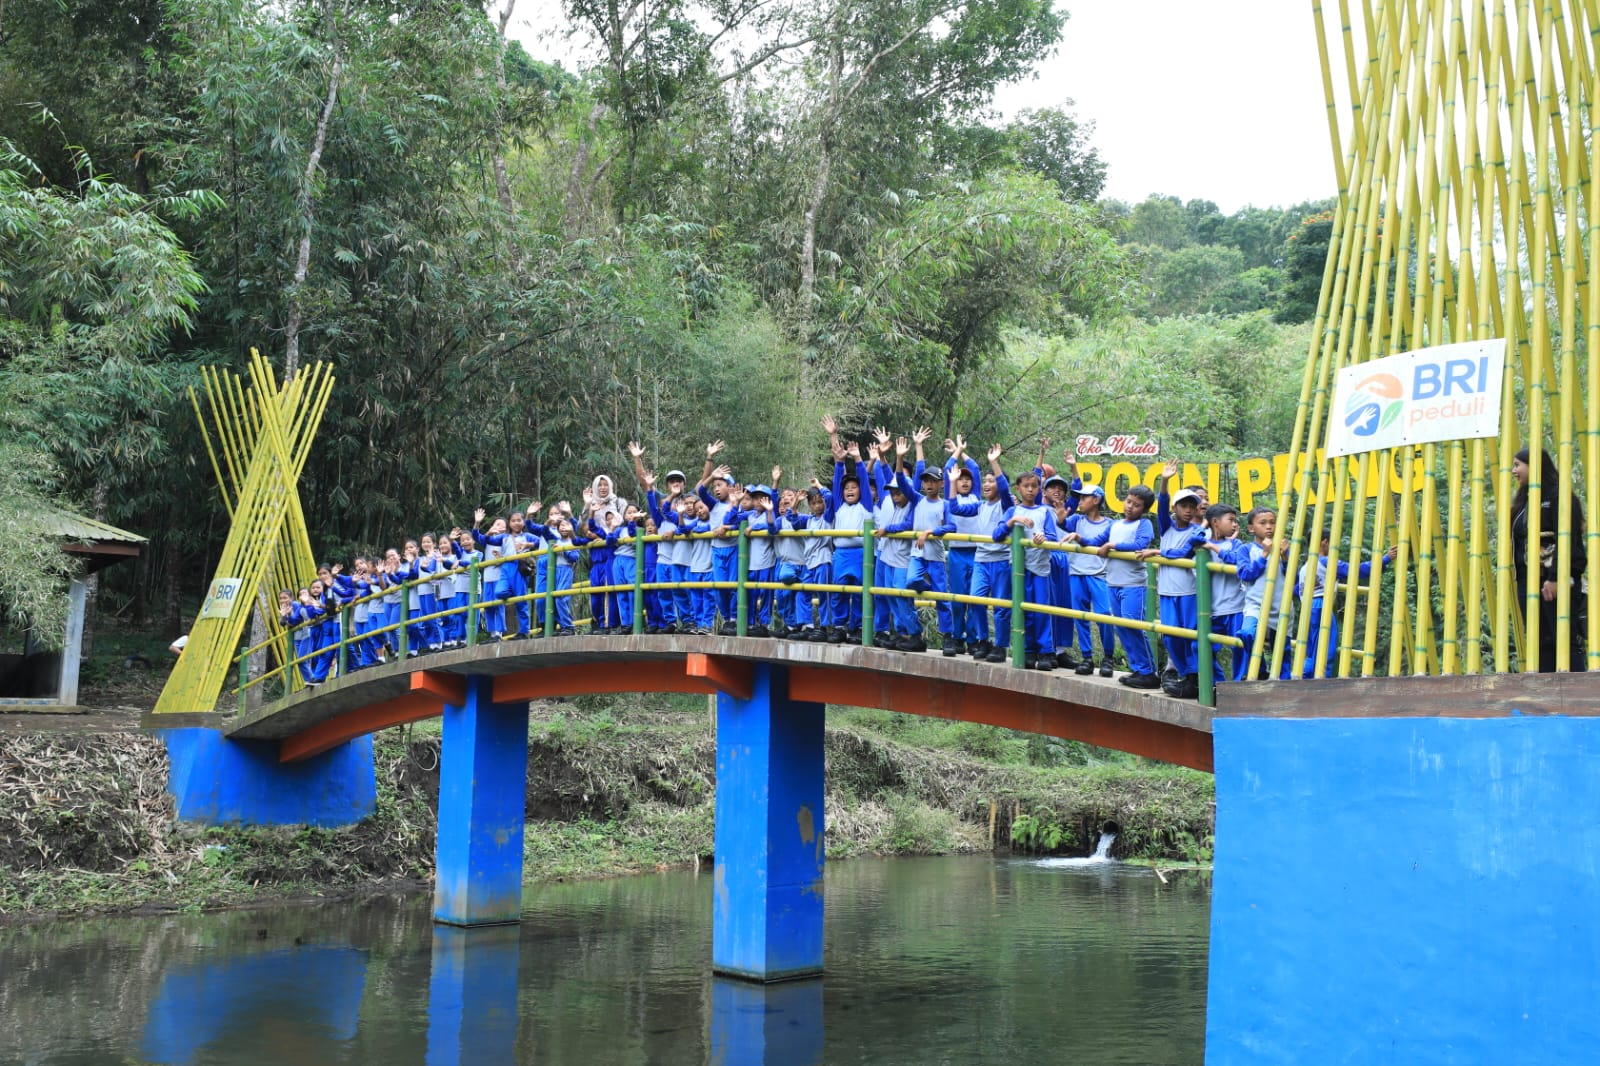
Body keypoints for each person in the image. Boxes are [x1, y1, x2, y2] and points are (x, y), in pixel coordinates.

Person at [1509, 445, 1587, 672]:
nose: (1514, 471)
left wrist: (1555, 578)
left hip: (1555, 579)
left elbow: (1568, 540)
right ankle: (1546, 701)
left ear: (1535, 466)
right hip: (1528, 581)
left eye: (1517, 465)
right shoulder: (1524, 500)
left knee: (1563, 639)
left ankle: (1578, 697)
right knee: (1539, 642)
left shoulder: (1559, 496)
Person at [1137, 487, 1206, 699]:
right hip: (1167, 591)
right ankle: (1185, 673)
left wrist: (1157, 551)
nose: (1187, 510)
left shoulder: (1197, 532)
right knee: (1171, 636)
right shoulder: (1166, 528)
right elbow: (1161, 508)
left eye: (1191, 506)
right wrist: (1165, 481)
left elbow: (1182, 553)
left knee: (1190, 636)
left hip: (1188, 591)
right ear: (1174, 508)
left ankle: (1195, 676)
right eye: (1183, 506)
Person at [993, 469, 1059, 670]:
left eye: (1034, 486)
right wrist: (1013, 522)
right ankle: (1028, 650)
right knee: (1023, 610)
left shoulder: (1045, 511)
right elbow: (997, 534)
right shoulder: (1013, 511)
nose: (1030, 490)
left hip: (1040, 567)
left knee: (1041, 609)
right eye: (1026, 486)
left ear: (1039, 488)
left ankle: (1046, 651)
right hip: (1019, 569)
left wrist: (1043, 539)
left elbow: (1053, 537)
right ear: (1018, 488)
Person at [1103, 486, 1160, 689]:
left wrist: (1112, 546)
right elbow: (1099, 540)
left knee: (1133, 623)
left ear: (1143, 509)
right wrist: (1078, 538)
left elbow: (1140, 544)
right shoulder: (1115, 524)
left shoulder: (1144, 524)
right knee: (1121, 626)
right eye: (1128, 502)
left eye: (1136, 505)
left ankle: (1149, 671)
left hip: (1133, 584)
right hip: (1113, 582)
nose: (1130, 507)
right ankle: (1138, 667)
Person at [968, 444, 1015, 662]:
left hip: (1001, 560)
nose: (987, 484)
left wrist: (994, 462)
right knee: (976, 600)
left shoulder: (1006, 505)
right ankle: (983, 639)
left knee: (1001, 606)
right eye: (985, 481)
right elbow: (954, 507)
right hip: (981, 559)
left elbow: (1005, 489)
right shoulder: (979, 505)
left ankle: (1000, 645)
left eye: (991, 480)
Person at [1063, 484, 1116, 676]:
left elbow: (1098, 541)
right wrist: (1060, 515)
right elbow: (1061, 523)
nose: (1080, 501)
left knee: (1104, 615)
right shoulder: (1076, 519)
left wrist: (1079, 538)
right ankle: (1087, 658)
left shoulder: (1110, 524)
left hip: (1099, 575)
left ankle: (1108, 657)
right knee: (1081, 616)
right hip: (1076, 573)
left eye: (1084, 498)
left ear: (1096, 500)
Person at [1233, 507, 1290, 681]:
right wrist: (1264, 554)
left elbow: (1293, 578)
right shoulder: (1246, 549)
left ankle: (1284, 683)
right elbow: (1245, 574)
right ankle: (1261, 669)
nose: (1269, 527)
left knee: (1282, 649)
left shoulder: (1284, 548)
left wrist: (1285, 557)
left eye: (1272, 522)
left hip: (1281, 605)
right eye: (1263, 523)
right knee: (1247, 633)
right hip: (1255, 604)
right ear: (1251, 528)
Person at [1201, 504, 1247, 684]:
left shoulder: (1236, 544)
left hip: (1234, 606)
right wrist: (1206, 532)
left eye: (1236, 521)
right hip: (1209, 608)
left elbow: (1236, 558)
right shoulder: (1201, 540)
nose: (1235, 524)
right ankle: (1216, 684)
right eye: (1231, 520)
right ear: (1215, 522)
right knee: (1200, 646)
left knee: (1241, 646)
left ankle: (1239, 686)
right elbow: (1190, 538)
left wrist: (1213, 547)